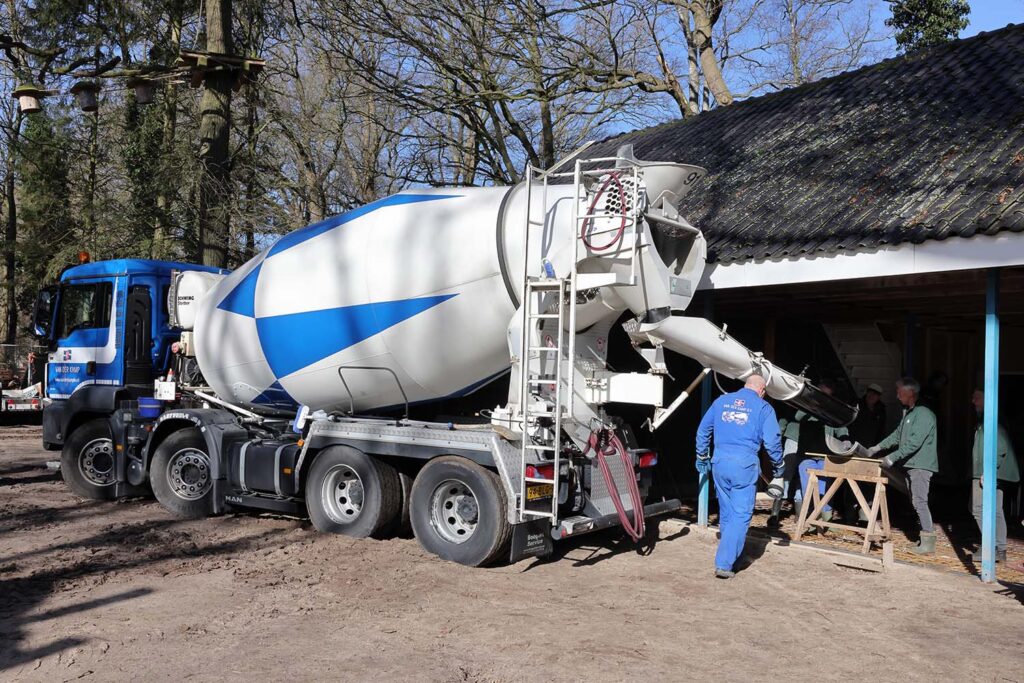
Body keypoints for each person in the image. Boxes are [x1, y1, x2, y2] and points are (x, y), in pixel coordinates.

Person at [696, 373, 784, 579]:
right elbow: (772, 441)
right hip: (744, 465)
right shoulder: (763, 408)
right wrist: (778, 468)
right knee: (741, 515)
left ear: (745, 385)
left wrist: (702, 455)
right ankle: (724, 564)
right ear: (762, 391)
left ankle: (734, 555)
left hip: (719, 462)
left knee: (727, 512)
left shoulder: (722, 401)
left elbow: (703, 430)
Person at [868, 377, 939, 555]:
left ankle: (928, 541)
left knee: (920, 502)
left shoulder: (924, 414)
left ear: (910, 393)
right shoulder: (910, 413)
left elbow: (914, 442)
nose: (898, 396)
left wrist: (892, 457)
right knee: (916, 501)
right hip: (911, 464)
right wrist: (877, 447)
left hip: (921, 465)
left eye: (900, 393)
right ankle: (924, 538)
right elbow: (897, 436)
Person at [769, 380, 849, 529]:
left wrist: (844, 438)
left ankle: (809, 516)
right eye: (823, 395)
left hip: (818, 449)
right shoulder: (803, 400)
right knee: (786, 476)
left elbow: (839, 426)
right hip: (798, 442)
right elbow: (793, 416)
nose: (825, 398)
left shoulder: (830, 408)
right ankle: (776, 514)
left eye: (828, 396)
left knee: (813, 482)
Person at [968, 388, 1019, 563]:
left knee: (978, 509)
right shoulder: (986, 419)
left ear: (987, 400)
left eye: (977, 398)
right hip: (992, 471)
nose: (973, 401)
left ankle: (990, 546)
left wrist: (988, 472)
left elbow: (1001, 447)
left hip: (988, 472)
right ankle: (1000, 549)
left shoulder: (992, 420)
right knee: (995, 511)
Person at [848, 383, 887, 448]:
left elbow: (881, 430)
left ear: (879, 397)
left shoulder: (881, 411)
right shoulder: (856, 405)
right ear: (866, 393)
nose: (871, 396)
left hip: (870, 447)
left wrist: (877, 447)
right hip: (853, 443)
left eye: (875, 394)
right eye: (870, 393)